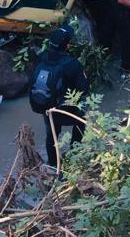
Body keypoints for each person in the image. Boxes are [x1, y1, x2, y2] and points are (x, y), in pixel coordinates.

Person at [29, 25, 88, 166]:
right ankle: (75, 156)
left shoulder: (40, 57)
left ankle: (53, 164)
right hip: (68, 111)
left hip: (47, 109)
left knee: (51, 135)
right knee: (81, 121)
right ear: (67, 45)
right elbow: (84, 90)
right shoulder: (73, 64)